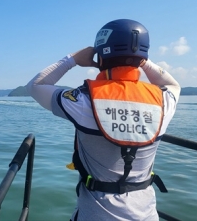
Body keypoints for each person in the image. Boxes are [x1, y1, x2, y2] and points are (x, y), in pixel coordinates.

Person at [26, 19, 180, 221]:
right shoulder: (163, 101)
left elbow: (36, 85)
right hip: (146, 215)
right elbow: (173, 85)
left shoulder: (83, 101)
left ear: (100, 56)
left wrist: (72, 59)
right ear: (142, 56)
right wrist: (142, 60)